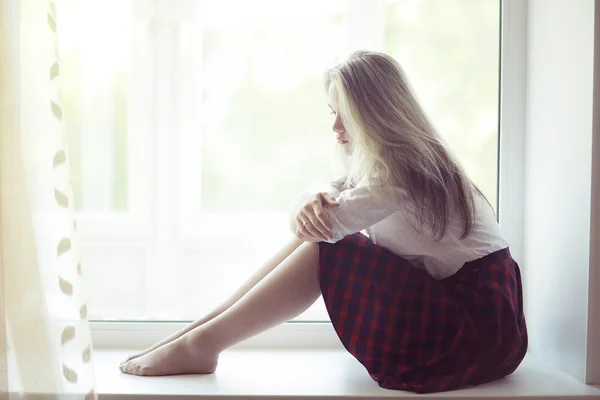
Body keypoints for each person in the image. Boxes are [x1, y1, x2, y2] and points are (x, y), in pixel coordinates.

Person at [119, 51, 527, 394]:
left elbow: (321, 230)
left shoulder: (404, 172)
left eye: (344, 115)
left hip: (476, 331)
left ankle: (202, 342)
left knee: (329, 244)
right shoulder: (399, 164)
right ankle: (200, 334)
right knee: (322, 236)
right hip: (481, 324)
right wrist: (306, 196)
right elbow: (325, 204)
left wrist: (308, 206)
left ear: (377, 115)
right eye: (332, 113)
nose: (334, 128)